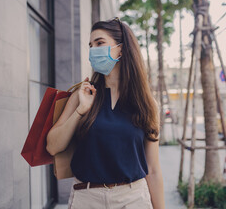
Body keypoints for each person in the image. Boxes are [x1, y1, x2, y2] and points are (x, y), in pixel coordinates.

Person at [46, 17, 165, 208]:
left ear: (122, 48)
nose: (93, 50)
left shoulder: (146, 103)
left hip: (133, 198)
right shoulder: (82, 94)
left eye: (100, 43)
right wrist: (80, 110)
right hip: (87, 198)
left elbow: (153, 169)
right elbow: (52, 146)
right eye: (91, 45)